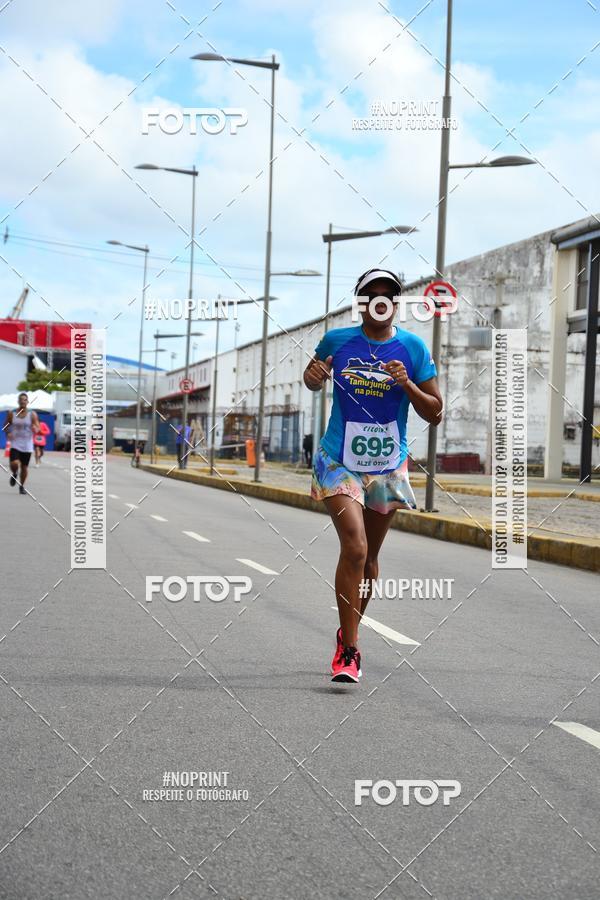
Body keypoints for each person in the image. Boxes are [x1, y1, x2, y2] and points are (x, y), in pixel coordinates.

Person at [303, 269, 443, 683]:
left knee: (370, 561)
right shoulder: (337, 340)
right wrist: (312, 379)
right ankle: (349, 650)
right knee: (355, 546)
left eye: (388, 294)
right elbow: (312, 378)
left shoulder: (413, 348)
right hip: (338, 460)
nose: (379, 300)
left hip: (387, 464)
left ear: (396, 302)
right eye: (371, 294)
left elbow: (435, 411)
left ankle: (349, 629)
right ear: (360, 301)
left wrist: (408, 385)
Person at [4, 392, 40, 495]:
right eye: (21, 400)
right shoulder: (12, 413)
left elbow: (38, 427)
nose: (22, 401)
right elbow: (5, 426)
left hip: (27, 445)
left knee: (24, 467)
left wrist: (35, 429)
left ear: (27, 402)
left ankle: (22, 486)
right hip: (15, 443)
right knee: (14, 463)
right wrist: (8, 432)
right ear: (18, 401)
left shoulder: (32, 414)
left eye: (25, 400)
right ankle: (14, 473)